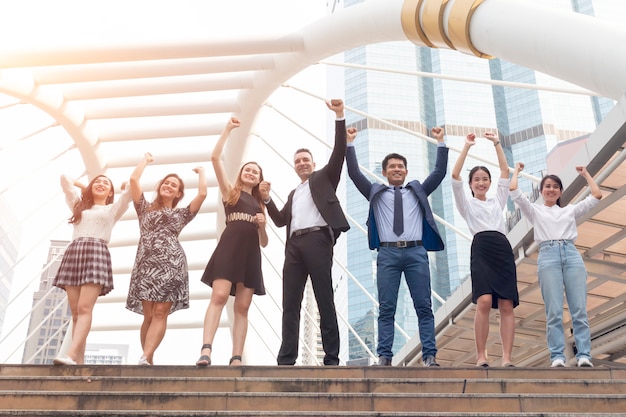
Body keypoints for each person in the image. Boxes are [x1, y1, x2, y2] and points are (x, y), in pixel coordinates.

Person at [345, 126, 448, 367]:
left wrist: (441, 142)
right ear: (385, 172)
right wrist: (349, 144)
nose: (397, 169)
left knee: (424, 305)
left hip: (416, 252)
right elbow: (354, 173)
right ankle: (384, 357)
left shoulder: (417, 191)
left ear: (406, 171)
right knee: (387, 308)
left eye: (400, 166)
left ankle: (429, 355)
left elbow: (439, 172)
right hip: (388, 253)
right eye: (392, 166)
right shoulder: (375, 192)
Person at [259, 99, 350, 366]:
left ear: (313, 163)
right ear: (294, 166)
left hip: (318, 240)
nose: (301, 164)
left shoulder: (324, 178)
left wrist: (339, 116)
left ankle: (331, 358)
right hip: (294, 247)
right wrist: (266, 199)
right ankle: (286, 358)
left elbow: (339, 151)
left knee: (324, 298)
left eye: (305, 160)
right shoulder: (293, 193)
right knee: (290, 304)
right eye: (297, 161)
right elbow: (278, 220)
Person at [510, 163, 601, 368]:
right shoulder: (535, 211)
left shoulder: (569, 210)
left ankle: (584, 355)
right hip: (548, 255)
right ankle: (557, 356)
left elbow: (596, 195)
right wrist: (516, 171)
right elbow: (514, 191)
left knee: (579, 309)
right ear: (541, 191)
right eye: (547, 186)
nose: (551, 189)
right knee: (554, 311)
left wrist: (586, 174)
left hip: (571, 254)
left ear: (560, 191)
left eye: (555, 186)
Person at [196, 117, 268, 367]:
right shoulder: (231, 192)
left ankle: (237, 357)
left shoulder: (260, 203)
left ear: (259, 179)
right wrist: (227, 129)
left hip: (251, 254)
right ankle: (206, 350)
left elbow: (265, 242)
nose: (250, 172)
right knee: (219, 296)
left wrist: (262, 226)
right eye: (247, 169)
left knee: (243, 306)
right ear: (241, 174)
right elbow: (215, 159)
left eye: (255, 172)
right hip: (229, 249)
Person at [126, 153, 207, 365]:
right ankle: (148, 359)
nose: (168, 186)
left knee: (161, 311)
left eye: (174, 185)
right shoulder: (143, 207)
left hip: (172, 263)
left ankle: (145, 356)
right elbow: (134, 181)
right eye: (166, 183)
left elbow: (203, 194)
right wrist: (145, 160)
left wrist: (202, 172)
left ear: (179, 193)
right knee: (149, 315)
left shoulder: (182, 214)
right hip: (146, 264)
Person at [451, 132, 518, 367]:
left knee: (507, 304)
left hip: (502, 249)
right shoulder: (466, 204)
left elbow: (505, 172)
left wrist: (497, 143)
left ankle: (507, 358)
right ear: (471, 184)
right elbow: (455, 175)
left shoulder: (497, 200)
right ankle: (481, 356)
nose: (481, 182)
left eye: (484, 179)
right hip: (481, 249)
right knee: (484, 301)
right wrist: (467, 146)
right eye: (476, 179)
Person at [53, 174, 132, 365]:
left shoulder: (113, 208)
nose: (101, 184)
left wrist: (124, 184)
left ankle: (71, 355)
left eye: (106, 183)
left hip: (96, 252)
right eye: (97, 181)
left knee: (84, 307)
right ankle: (78, 362)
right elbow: (65, 179)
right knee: (75, 312)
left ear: (111, 192)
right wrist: (85, 186)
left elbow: (131, 191)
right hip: (75, 252)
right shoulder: (78, 206)